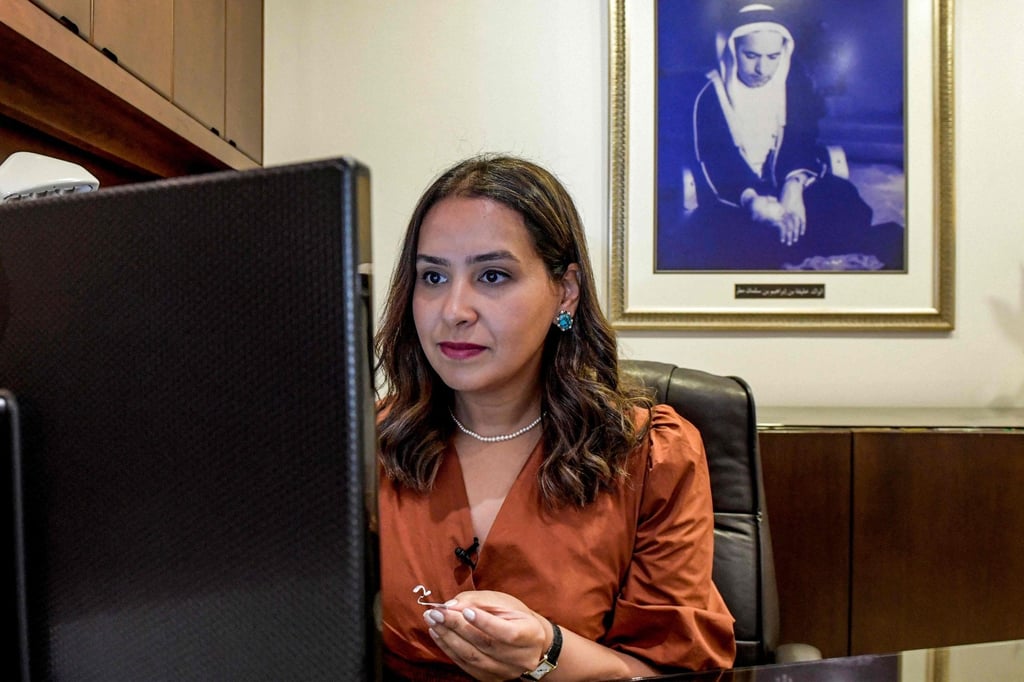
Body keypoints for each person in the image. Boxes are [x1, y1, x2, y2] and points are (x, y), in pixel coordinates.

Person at [374, 154, 736, 681]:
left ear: (564, 290)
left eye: (492, 275)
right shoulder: (363, 447)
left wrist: (548, 652)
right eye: (432, 276)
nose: (453, 309)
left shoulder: (652, 455)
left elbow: (679, 672)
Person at [674, 1, 903, 270]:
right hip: (737, 193)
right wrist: (755, 203)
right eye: (751, 56)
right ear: (733, 49)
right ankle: (789, 243)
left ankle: (787, 242)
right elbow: (715, 159)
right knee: (725, 240)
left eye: (773, 57)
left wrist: (792, 189)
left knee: (845, 202)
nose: (762, 69)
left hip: (782, 181)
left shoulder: (793, 84)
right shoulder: (708, 93)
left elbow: (801, 142)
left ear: (784, 51)